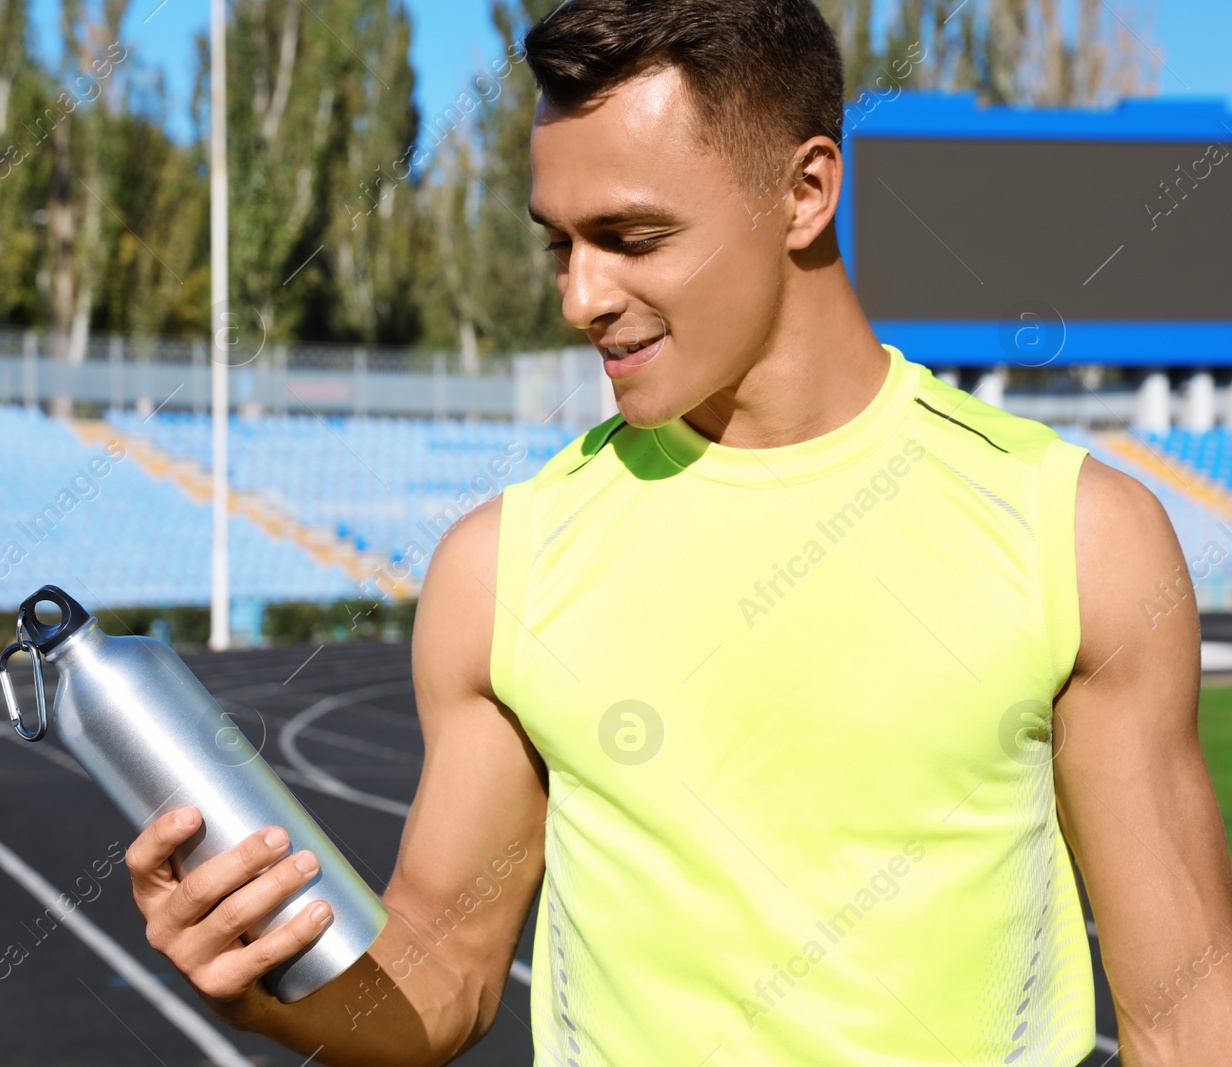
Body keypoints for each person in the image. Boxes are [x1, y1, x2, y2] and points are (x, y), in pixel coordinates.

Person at [125, 1, 1232, 1063]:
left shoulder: (1076, 536)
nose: (580, 298)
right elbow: (446, 968)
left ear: (804, 192)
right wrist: (270, 984)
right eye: (560, 244)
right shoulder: (500, 566)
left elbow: (1188, 1016)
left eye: (631, 237)